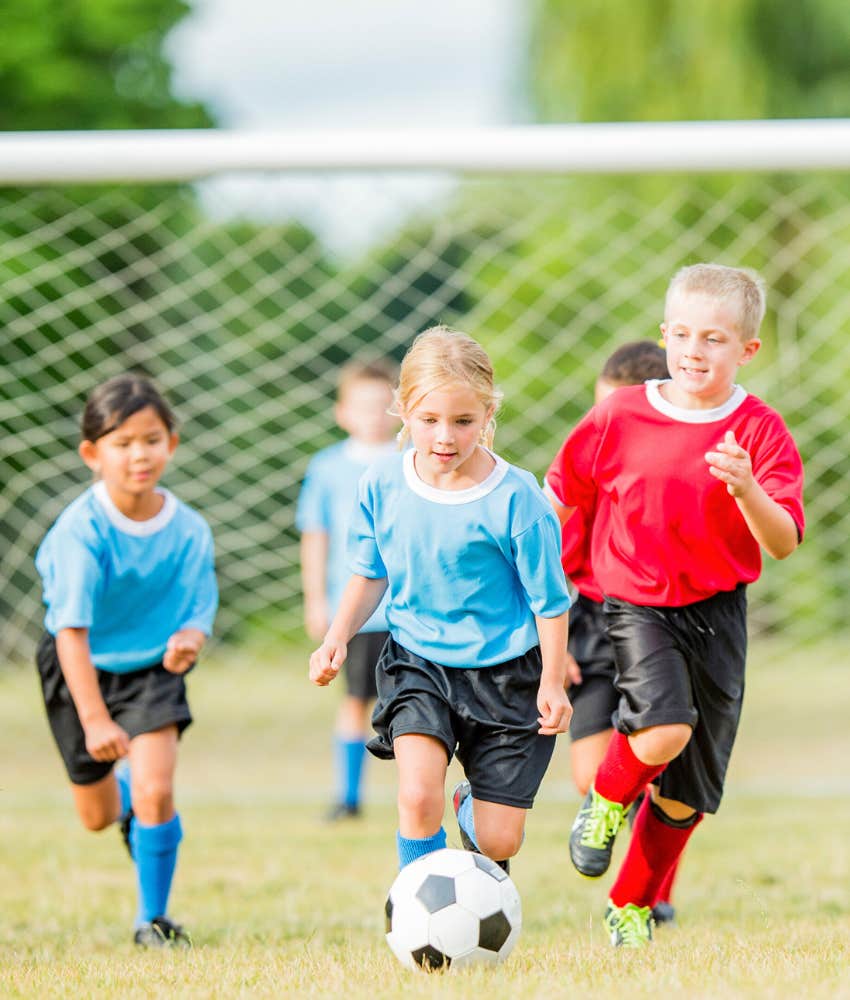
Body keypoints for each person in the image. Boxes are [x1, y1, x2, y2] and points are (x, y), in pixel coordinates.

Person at [546, 264, 804, 947]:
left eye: (714, 338)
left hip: (719, 611)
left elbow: (781, 542)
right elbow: (559, 494)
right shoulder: (619, 414)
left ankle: (630, 906)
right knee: (662, 731)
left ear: (747, 350)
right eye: (684, 333)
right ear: (665, 335)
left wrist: (748, 489)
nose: (695, 349)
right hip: (636, 603)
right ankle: (602, 804)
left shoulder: (760, 430)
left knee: (685, 794)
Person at [309, 326, 572, 873]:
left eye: (462, 421)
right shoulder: (381, 483)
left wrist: (550, 680)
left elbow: (549, 601)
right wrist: (337, 637)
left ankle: (473, 809)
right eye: (428, 420)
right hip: (418, 662)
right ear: (402, 411)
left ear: (488, 413)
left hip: (506, 674)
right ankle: (416, 905)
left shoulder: (517, 498)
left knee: (500, 842)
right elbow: (369, 571)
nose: (444, 437)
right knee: (416, 796)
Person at [34, 374, 218, 948]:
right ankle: (126, 795)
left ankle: (152, 919)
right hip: (79, 667)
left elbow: (197, 608)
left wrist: (191, 639)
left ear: (172, 443)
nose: (139, 454)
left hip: (151, 674)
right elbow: (71, 634)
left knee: (158, 788)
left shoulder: (189, 529)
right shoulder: (80, 533)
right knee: (96, 816)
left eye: (152, 438)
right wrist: (93, 719)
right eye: (122, 442)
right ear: (93, 454)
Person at [555, 341, 682, 925]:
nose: (605, 428)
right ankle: (626, 849)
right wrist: (549, 647)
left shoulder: (674, 475)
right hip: (591, 626)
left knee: (669, 765)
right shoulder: (580, 478)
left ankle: (651, 895)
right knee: (593, 774)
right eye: (598, 413)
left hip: (665, 621)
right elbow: (543, 564)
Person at [296, 360, 398, 820]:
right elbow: (315, 535)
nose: (374, 414)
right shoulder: (328, 467)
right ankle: (349, 797)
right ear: (342, 413)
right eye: (363, 405)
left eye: (383, 404)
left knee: (415, 707)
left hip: (409, 611)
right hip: (355, 611)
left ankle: (417, 794)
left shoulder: (412, 459)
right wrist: (317, 599)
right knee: (355, 700)